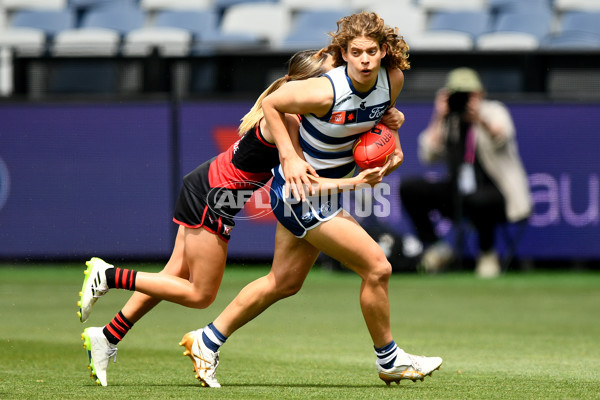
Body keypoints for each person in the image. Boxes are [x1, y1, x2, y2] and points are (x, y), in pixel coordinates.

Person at [77, 49, 405, 387]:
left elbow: (345, 118)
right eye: (324, 80)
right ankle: (109, 275)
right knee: (199, 294)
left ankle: (107, 336)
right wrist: (358, 181)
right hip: (213, 197)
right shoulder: (289, 121)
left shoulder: (297, 113)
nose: (331, 88)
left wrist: (387, 117)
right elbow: (307, 177)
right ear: (304, 86)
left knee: (173, 274)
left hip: (206, 185)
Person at [178, 12, 442, 388]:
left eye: (371, 51)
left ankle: (207, 340)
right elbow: (273, 103)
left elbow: (380, 117)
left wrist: (393, 144)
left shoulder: (392, 79)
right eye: (356, 52)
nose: (365, 59)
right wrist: (287, 155)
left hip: (324, 193)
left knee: (283, 282)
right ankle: (390, 359)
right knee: (378, 268)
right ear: (344, 54)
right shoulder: (326, 90)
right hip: (302, 194)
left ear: (383, 51)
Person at [399, 67, 532, 278]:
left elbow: (502, 136)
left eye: (469, 94)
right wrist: (438, 116)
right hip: (458, 191)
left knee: (479, 199)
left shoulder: (493, 111)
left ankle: (487, 254)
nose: (464, 100)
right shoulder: (449, 119)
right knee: (411, 188)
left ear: (480, 94)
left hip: (497, 193)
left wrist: (479, 118)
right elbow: (428, 155)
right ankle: (437, 247)